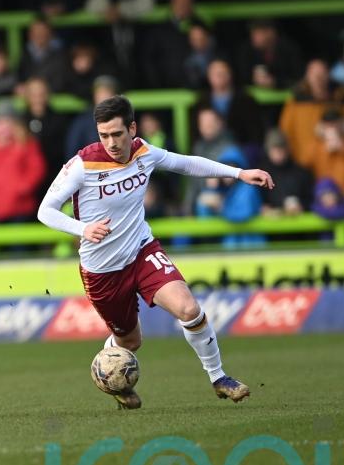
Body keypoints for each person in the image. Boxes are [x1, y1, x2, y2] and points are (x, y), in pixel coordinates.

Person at [37, 95, 274, 409]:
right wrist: (83, 229)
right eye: (103, 135)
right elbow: (45, 210)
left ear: (132, 128)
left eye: (117, 134)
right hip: (103, 270)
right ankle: (110, 375)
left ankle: (219, 378)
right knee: (131, 342)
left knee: (189, 310)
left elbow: (185, 163)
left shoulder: (144, 152)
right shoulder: (83, 165)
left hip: (141, 251)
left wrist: (238, 173)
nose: (110, 142)